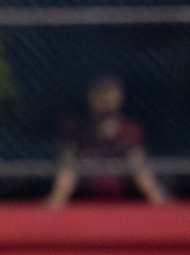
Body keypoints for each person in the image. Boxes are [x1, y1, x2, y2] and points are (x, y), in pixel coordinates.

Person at [45, 74, 169, 207]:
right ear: (90, 97)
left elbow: (139, 168)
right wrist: (54, 203)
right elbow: (68, 169)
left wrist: (158, 200)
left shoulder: (130, 130)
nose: (106, 102)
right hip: (82, 203)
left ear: (119, 98)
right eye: (101, 96)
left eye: (111, 96)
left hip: (123, 204)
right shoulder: (76, 130)